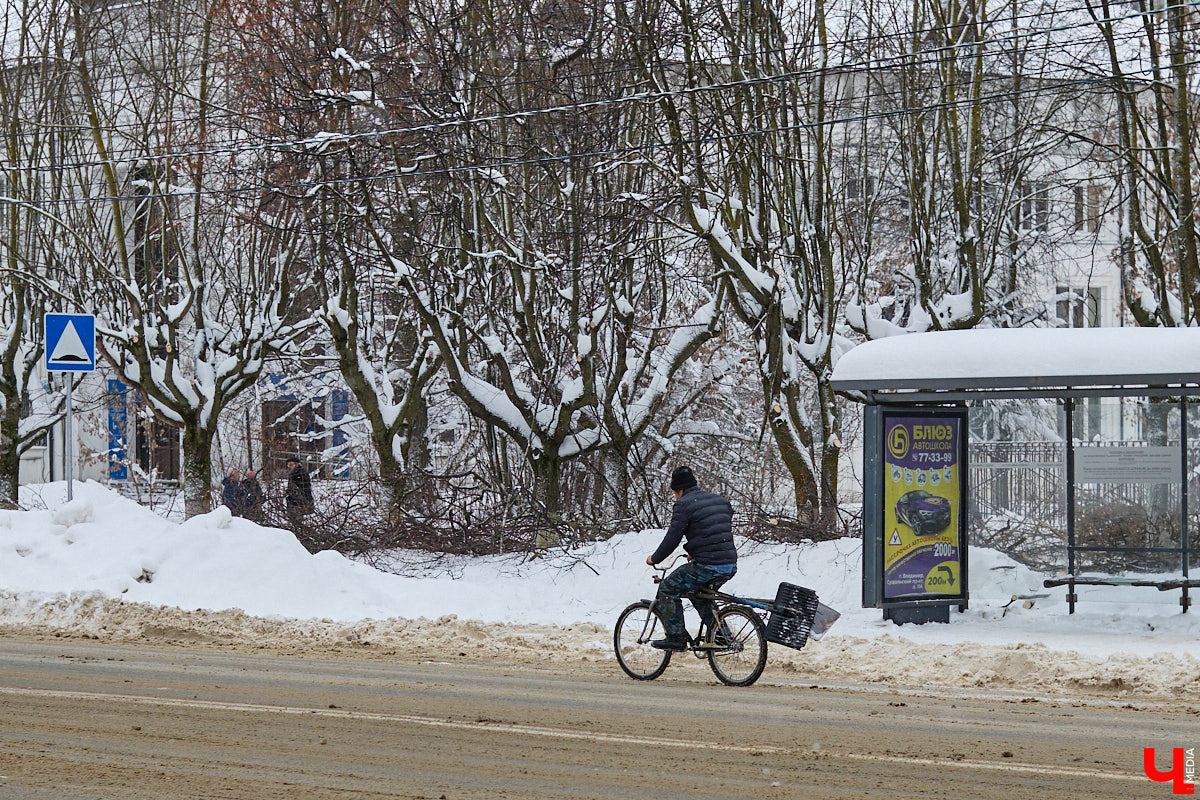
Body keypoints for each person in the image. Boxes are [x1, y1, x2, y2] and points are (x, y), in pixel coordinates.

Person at [645, 465, 737, 651]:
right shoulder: (719, 500)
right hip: (729, 564)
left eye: (675, 493)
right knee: (700, 595)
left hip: (708, 565)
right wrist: (696, 552)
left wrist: (655, 558)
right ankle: (721, 635)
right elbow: (713, 528)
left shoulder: (684, 504)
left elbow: (673, 538)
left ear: (679, 490)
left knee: (667, 588)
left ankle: (676, 638)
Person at [285, 456, 314, 524]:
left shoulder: (301, 474)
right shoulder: (293, 474)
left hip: (301, 500)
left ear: (296, 464)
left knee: (297, 520)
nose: (289, 467)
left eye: (291, 465)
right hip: (294, 500)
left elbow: (304, 488)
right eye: (288, 465)